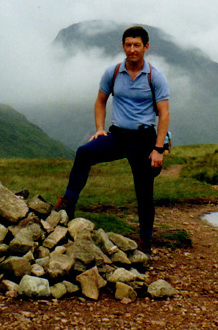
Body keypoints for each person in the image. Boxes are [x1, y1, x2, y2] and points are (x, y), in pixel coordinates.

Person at [55, 26, 170, 254]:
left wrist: (158, 149)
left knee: (144, 190)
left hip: (144, 138)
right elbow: (100, 100)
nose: (132, 49)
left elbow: (164, 113)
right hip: (118, 135)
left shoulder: (155, 76)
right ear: (123, 46)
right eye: (128, 45)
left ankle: (145, 241)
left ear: (146, 47)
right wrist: (99, 128)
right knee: (84, 153)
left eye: (137, 45)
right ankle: (68, 204)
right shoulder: (114, 72)